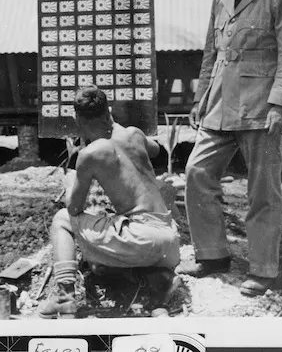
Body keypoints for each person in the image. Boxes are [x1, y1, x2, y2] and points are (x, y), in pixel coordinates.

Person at [181, 0, 282, 296]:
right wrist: (201, 98)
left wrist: (279, 105)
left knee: (263, 191)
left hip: (259, 110)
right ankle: (212, 254)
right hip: (219, 106)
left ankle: (263, 269)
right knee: (196, 173)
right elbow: (211, 54)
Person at [39, 86, 181, 319]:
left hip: (140, 239)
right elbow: (154, 150)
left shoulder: (91, 153)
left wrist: (71, 182)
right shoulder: (134, 134)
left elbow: (74, 208)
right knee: (105, 254)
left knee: (62, 220)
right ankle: (157, 279)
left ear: (78, 118)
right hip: (169, 240)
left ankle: (65, 298)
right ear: (109, 111)